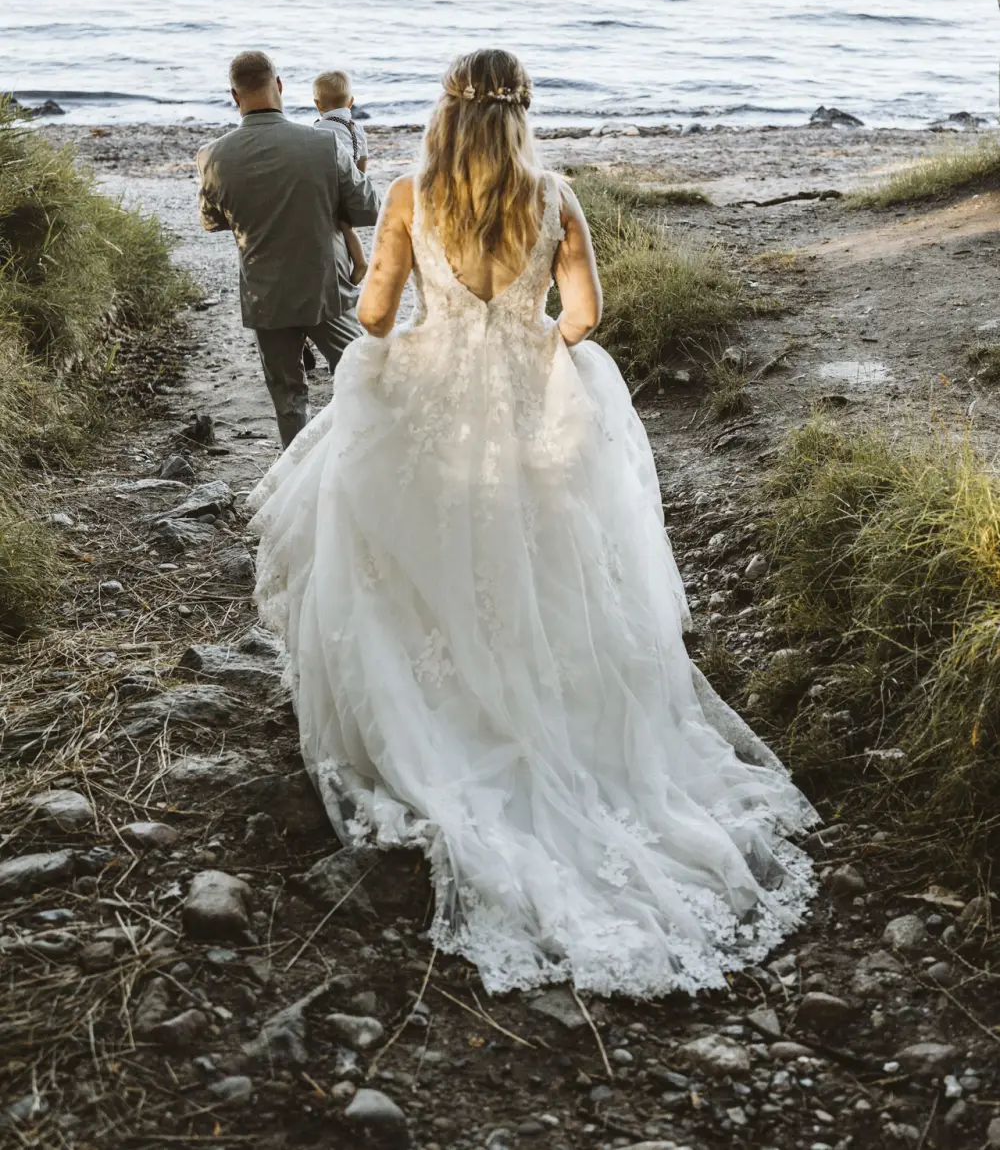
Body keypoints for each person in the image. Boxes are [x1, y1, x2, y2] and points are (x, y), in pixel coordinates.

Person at [247, 48, 815, 998]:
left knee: (405, 550)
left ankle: (435, 717)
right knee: (553, 563)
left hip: (431, 400)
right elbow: (584, 316)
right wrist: (532, 338)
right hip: (527, 398)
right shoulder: (556, 198)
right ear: (521, 114)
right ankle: (561, 719)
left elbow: (377, 316)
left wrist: (430, 323)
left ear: (445, 112)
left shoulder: (406, 195)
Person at [196, 51, 380, 448]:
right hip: (326, 287)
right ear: (278, 86)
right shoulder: (325, 145)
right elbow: (368, 208)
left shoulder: (212, 156)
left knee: (288, 398)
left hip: (266, 294)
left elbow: (211, 221)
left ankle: (297, 478)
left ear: (234, 95)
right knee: (361, 376)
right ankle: (358, 456)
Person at [313, 69, 370, 286]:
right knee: (346, 225)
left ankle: (360, 262)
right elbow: (362, 159)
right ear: (351, 102)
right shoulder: (356, 129)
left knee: (341, 227)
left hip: (331, 187)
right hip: (352, 184)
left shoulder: (318, 129)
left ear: (317, 104)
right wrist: (359, 182)